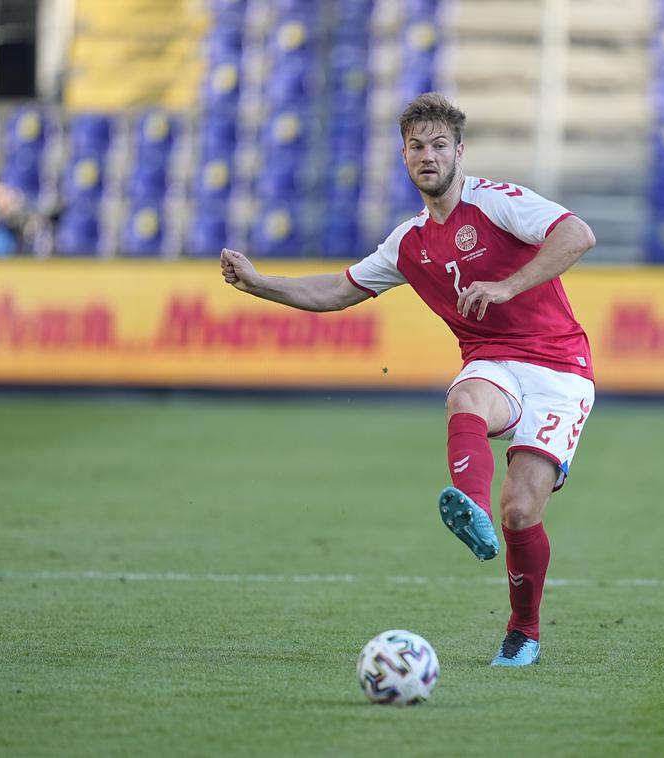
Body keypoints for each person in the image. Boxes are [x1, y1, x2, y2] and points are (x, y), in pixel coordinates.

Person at [219, 92, 597, 667]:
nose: (428, 155)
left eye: (439, 145)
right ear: (404, 157)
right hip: (494, 363)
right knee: (465, 395)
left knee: (520, 510)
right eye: (417, 146)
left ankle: (524, 630)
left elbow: (577, 236)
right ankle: (470, 506)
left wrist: (505, 286)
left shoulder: (497, 203)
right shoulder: (409, 242)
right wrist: (259, 282)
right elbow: (338, 290)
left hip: (559, 368)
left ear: (459, 152)